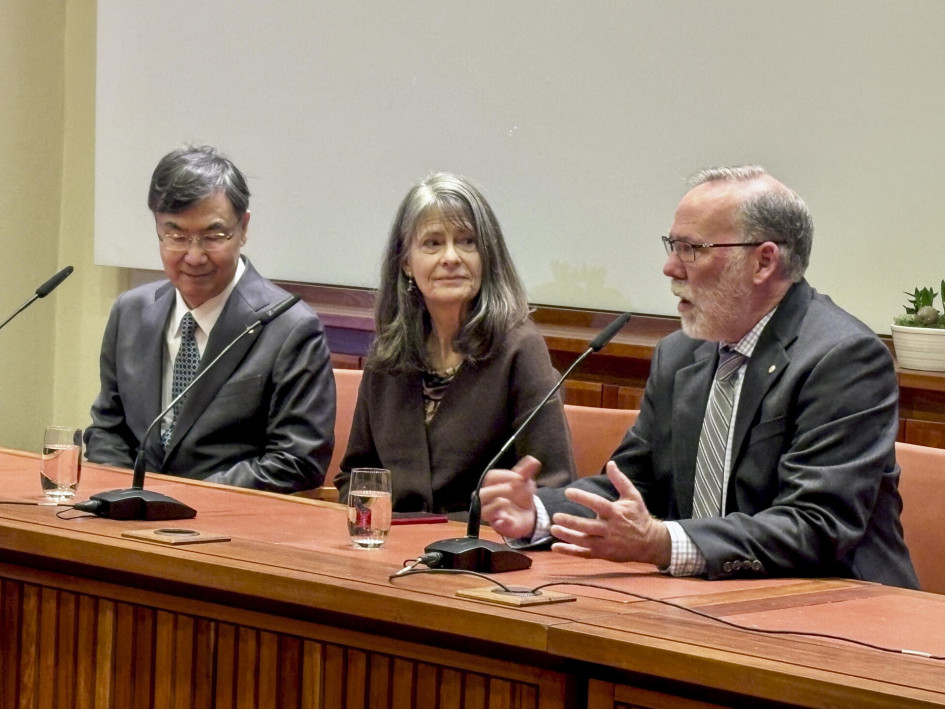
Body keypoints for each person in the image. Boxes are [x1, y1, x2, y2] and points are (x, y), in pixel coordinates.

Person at [480, 165, 919, 588]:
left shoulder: (843, 358)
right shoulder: (680, 354)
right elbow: (634, 486)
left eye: (691, 249)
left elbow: (816, 524)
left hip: (838, 606)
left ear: (763, 261)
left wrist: (663, 543)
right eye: (672, 246)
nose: (671, 267)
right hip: (707, 600)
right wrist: (539, 513)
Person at [84, 145, 335, 492]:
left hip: (230, 517)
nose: (194, 255)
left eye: (212, 236)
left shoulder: (290, 328)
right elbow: (108, 430)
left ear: (243, 228)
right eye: (177, 236)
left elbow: (297, 461)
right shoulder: (130, 312)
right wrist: (125, 497)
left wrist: (184, 497)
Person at [335, 172, 575, 516]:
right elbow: (356, 476)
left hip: (481, 542)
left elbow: (554, 486)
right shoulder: (389, 352)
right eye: (433, 243)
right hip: (389, 540)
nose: (451, 257)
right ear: (406, 263)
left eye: (467, 241)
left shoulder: (520, 349)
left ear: (487, 256)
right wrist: (374, 525)